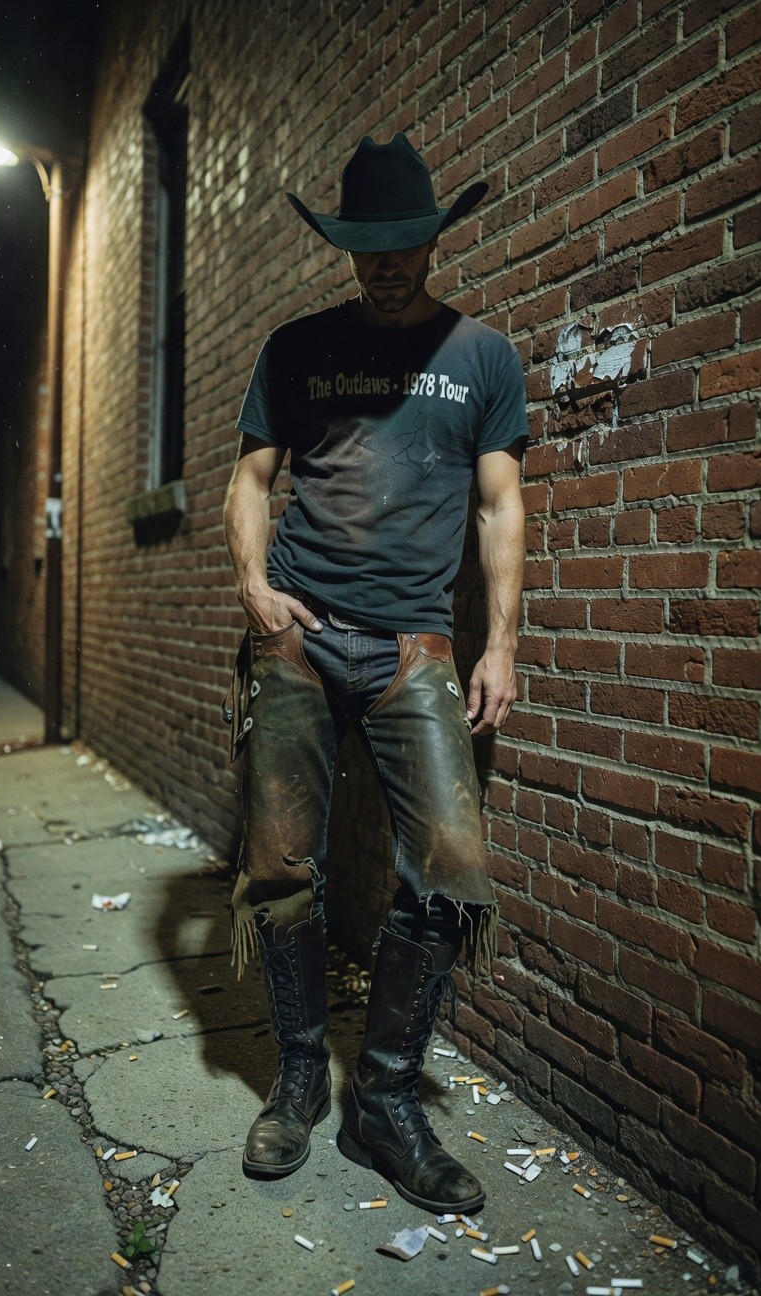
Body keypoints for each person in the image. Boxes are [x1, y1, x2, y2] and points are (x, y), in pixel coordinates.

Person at [223, 132, 527, 1215]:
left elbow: (500, 506)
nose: (388, 263)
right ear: (346, 246)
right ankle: (302, 1073)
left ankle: (383, 1100)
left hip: (412, 648)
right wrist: (257, 586)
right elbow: (251, 480)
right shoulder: (297, 348)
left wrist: (498, 643)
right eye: (369, 247)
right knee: (277, 865)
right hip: (301, 632)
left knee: (451, 865)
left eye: (406, 245)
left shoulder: (483, 355)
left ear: (432, 240)